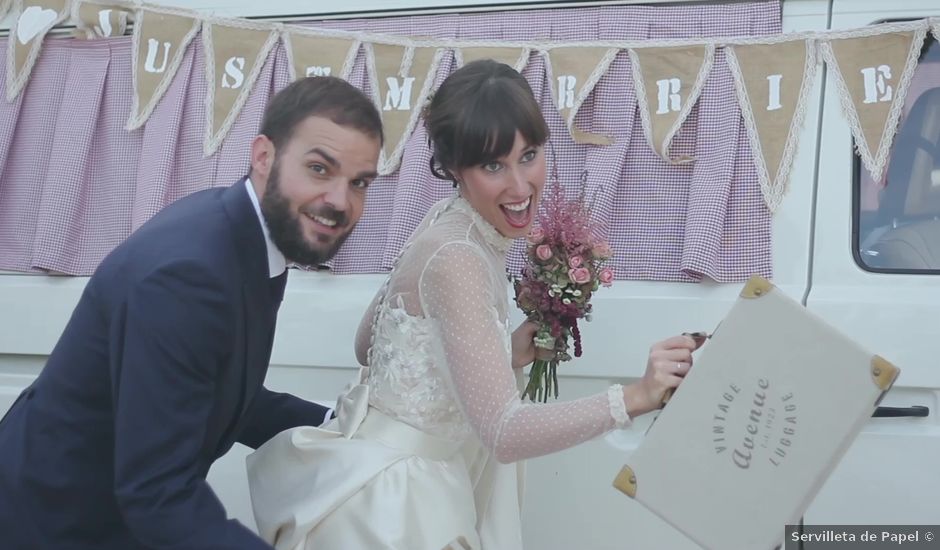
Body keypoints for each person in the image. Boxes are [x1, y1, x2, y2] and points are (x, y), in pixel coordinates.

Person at [246, 60, 701, 550]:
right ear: (455, 169)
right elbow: (504, 432)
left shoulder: (445, 219)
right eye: (492, 165)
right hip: (401, 510)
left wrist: (497, 352)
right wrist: (637, 397)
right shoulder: (459, 255)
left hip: (369, 475)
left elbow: (368, 346)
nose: (520, 186)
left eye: (529, 155)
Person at [0, 76, 383, 549]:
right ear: (264, 157)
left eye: (359, 182)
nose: (340, 202)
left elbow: (218, 387)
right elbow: (159, 495)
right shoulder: (189, 275)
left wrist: (344, 428)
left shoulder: (257, 234)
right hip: (52, 523)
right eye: (320, 169)